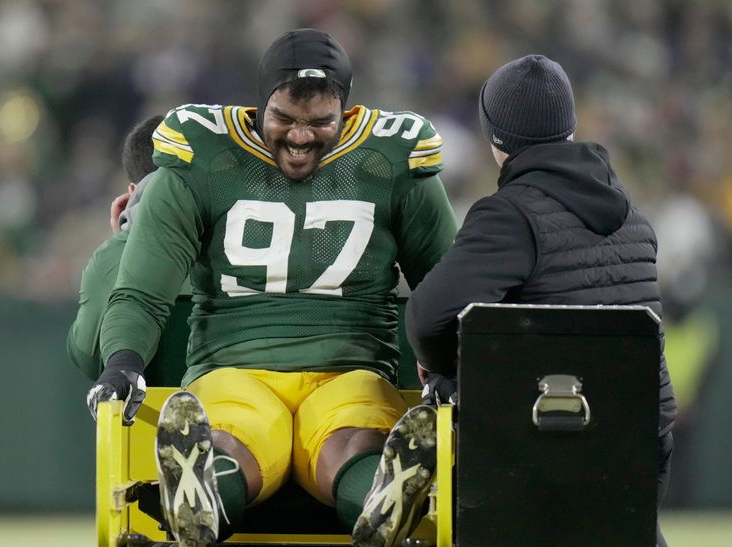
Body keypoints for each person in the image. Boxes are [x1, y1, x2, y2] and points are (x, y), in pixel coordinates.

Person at [85, 28, 457, 547]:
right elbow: (144, 288)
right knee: (237, 436)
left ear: (347, 114)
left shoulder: (391, 162)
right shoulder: (203, 157)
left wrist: (451, 362)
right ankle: (214, 497)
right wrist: (121, 360)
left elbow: (444, 285)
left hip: (348, 369)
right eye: (283, 117)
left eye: (320, 122)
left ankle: (376, 502)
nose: (301, 136)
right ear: (259, 105)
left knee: (349, 439)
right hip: (233, 364)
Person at [403, 55, 677, 547]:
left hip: (540, 461)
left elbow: (427, 320)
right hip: (638, 454)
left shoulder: (509, 215)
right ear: (569, 128)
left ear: (496, 138)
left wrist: (446, 368)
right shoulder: (634, 217)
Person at [67, 114, 165, 381]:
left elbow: (89, 358)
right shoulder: (244, 244)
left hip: (145, 417)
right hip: (242, 414)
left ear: (132, 193)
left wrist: (126, 242)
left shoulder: (113, 256)